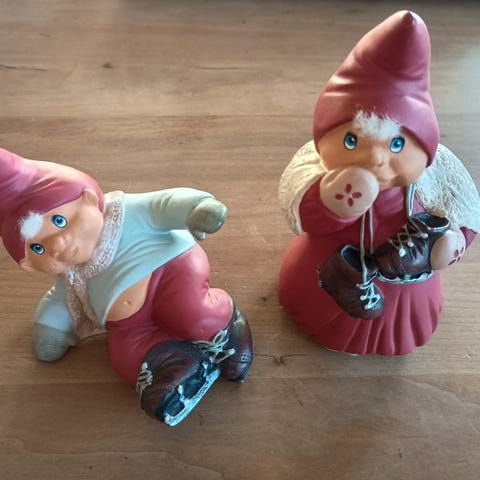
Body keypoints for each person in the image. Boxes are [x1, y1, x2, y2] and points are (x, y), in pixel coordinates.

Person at [0, 148, 253, 426]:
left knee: (187, 312)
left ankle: (224, 329)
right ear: (28, 265)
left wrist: (196, 208)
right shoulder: (70, 279)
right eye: (38, 248)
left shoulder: (123, 212)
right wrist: (50, 331)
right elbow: (58, 302)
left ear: (88, 199)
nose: (57, 244)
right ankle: (174, 368)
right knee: (123, 355)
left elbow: (163, 204)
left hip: (170, 272)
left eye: (59, 221)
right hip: (129, 322)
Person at [278, 11, 480, 355]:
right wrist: (331, 200)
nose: (375, 160)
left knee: (400, 328)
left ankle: (392, 337)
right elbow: (302, 213)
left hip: (406, 288)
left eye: (397, 144)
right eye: (352, 141)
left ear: (426, 150)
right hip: (329, 273)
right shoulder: (312, 169)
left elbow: (464, 211)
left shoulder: (439, 177)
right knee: (319, 309)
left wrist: (453, 241)